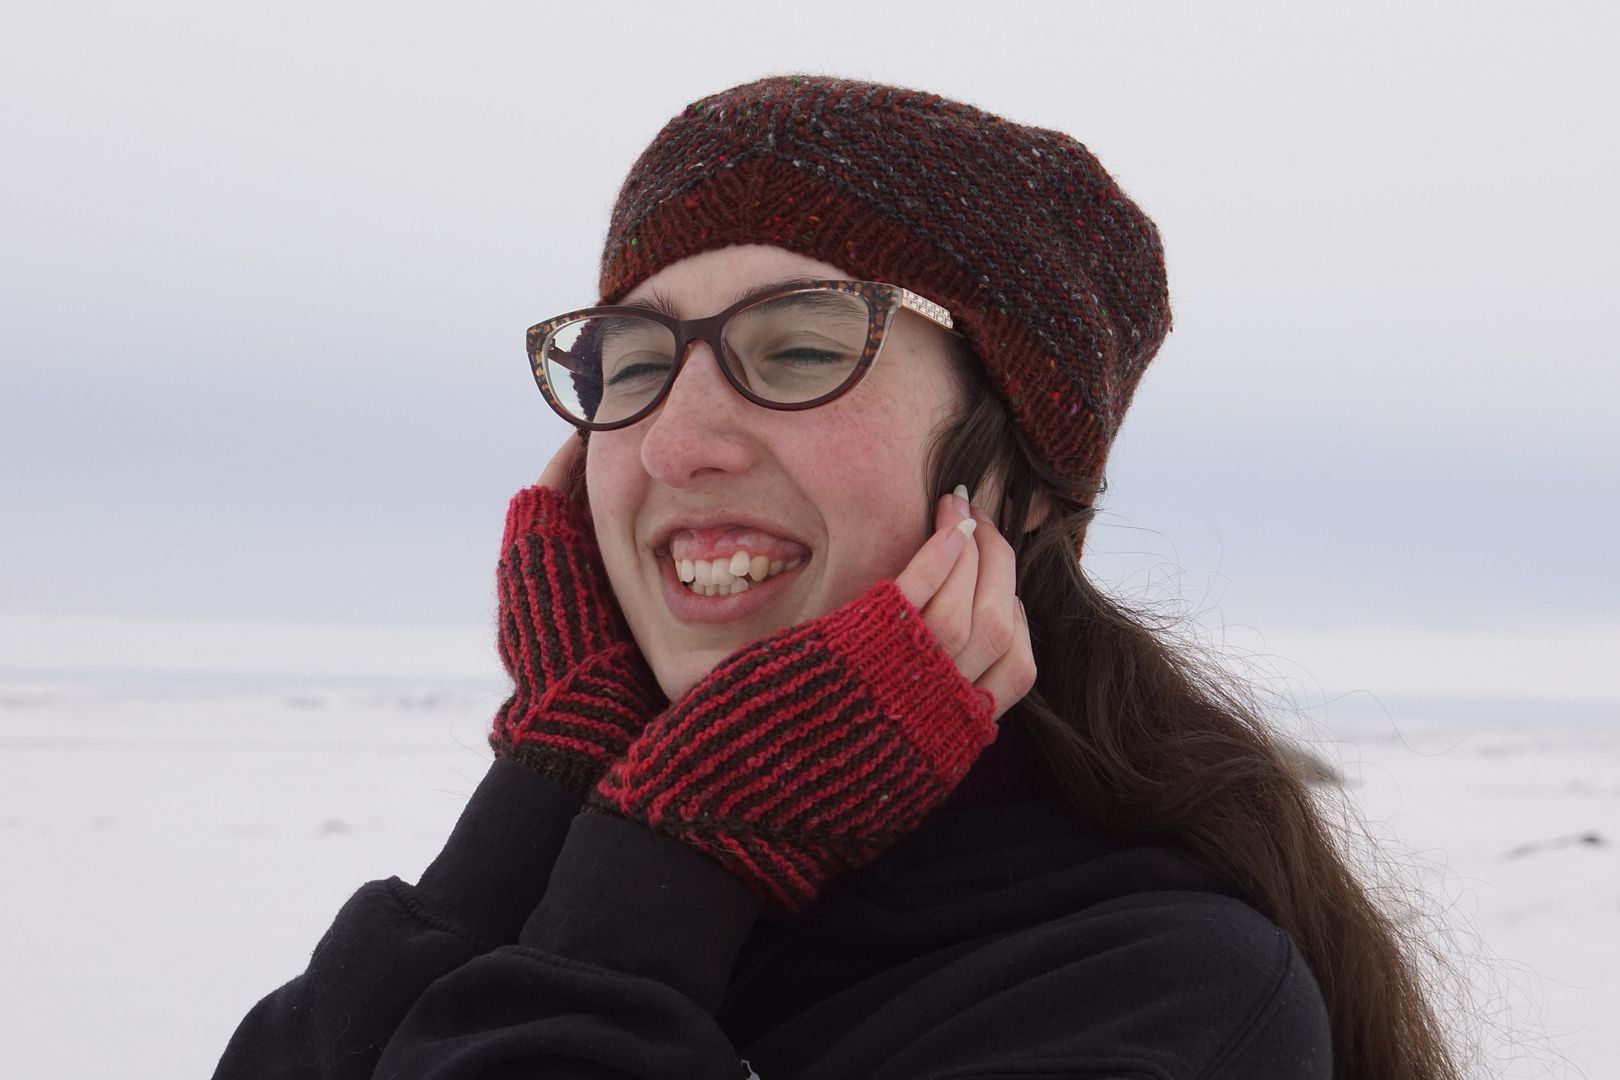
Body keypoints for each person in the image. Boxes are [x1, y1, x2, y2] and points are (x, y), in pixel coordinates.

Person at [213, 75, 1464, 1079]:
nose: (676, 443)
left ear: (1021, 484)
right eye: (632, 365)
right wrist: (551, 780)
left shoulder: (1160, 994)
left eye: (802, 349)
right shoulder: (580, 863)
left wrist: (686, 855)